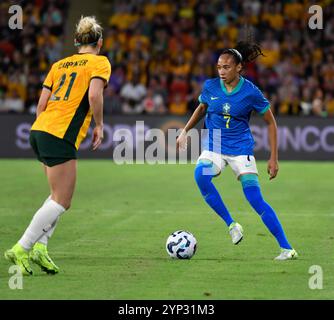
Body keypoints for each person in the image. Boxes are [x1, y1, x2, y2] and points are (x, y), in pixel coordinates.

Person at [4, 16, 111, 275]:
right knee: (63, 200)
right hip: (59, 134)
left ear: (76, 41)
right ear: (99, 42)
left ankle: (41, 248)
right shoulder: (99, 61)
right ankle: (22, 248)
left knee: (56, 196)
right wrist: (99, 125)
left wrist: (46, 130)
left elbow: (41, 105)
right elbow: (94, 94)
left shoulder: (59, 64)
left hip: (40, 129)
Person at [176, 41, 298, 260]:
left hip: (241, 149)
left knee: (255, 199)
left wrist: (273, 158)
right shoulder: (210, 86)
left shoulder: (251, 92)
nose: (221, 71)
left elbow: (271, 122)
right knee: (201, 176)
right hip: (214, 146)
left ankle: (287, 248)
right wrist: (185, 130)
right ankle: (232, 225)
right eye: (219, 67)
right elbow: (202, 108)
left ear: (239, 68)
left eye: (226, 67)